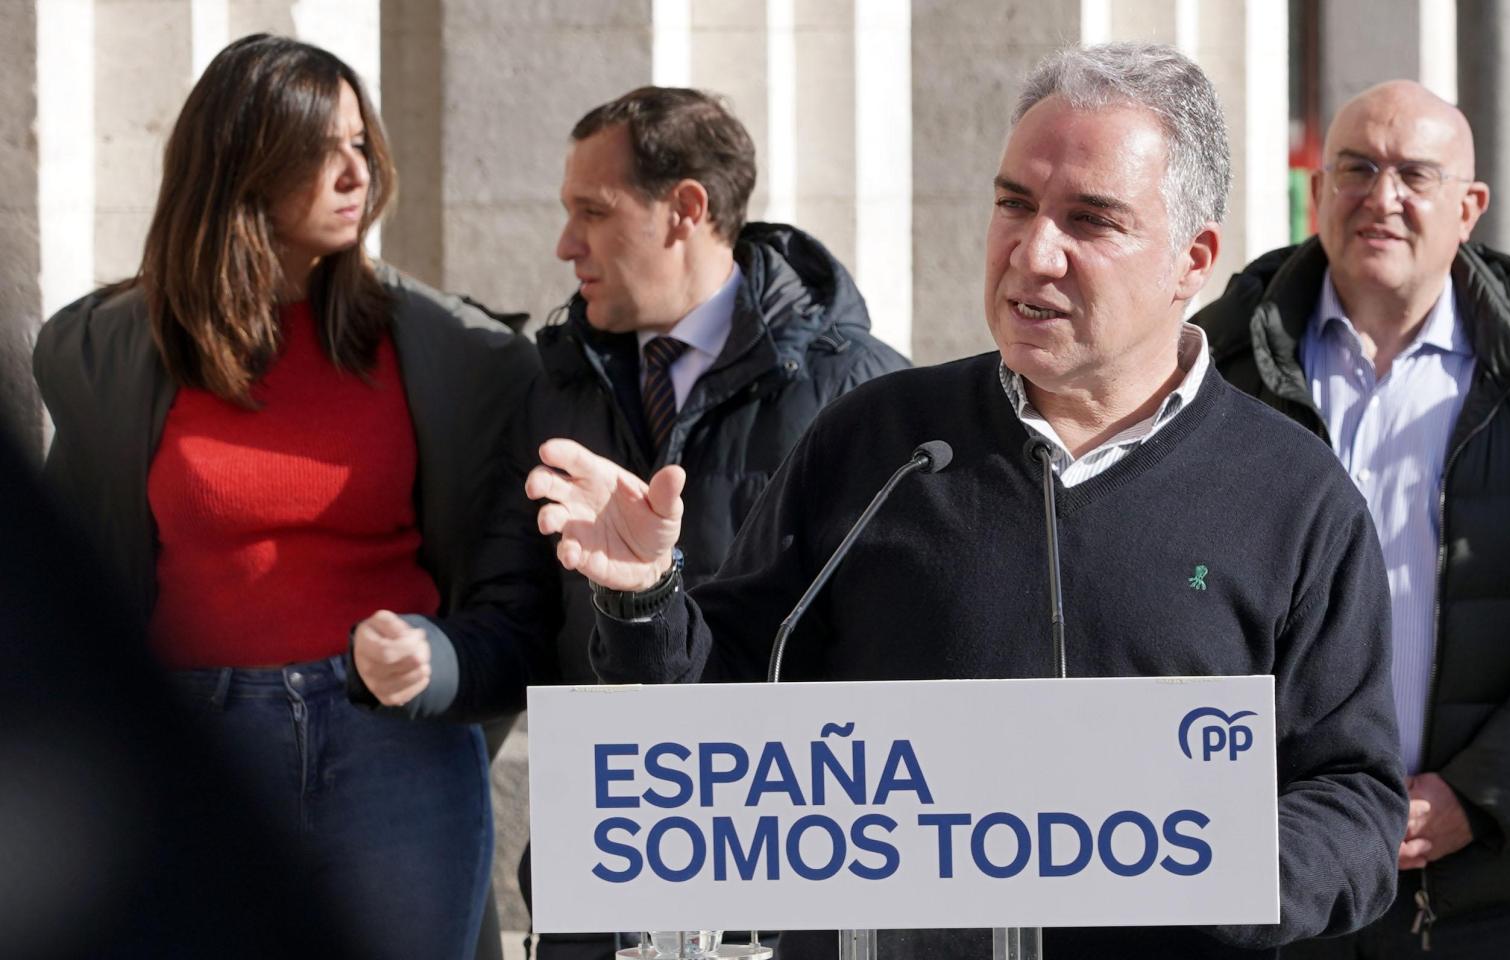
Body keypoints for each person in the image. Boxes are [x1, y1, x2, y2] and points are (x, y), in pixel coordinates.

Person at [517, 42, 1408, 959]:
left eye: (1091, 220)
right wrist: (645, 596)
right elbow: (725, 710)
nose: (1033, 252)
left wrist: (1218, 875)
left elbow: (1354, 797)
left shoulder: (1292, 494)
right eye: (1014, 204)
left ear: (1194, 259)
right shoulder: (877, 445)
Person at [345, 86, 907, 957]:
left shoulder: (857, 393)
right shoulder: (553, 386)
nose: (566, 246)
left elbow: (894, 666)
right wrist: (434, 662)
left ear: (687, 209)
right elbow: (522, 622)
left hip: (785, 893)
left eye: (593, 214)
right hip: (599, 889)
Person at [32, 34, 539, 960]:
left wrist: (439, 659)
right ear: (242, 163)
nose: (356, 172)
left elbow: (507, 571)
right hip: (197, 747)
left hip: (393, 749)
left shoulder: (445, 349)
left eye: (360, 143)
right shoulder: (116, 355)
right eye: (321, 148)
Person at [1195, 80, 1510, 958]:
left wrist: (1478, 797)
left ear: (1469, 206)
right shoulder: (1215, 375)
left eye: (1415, 174)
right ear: (1320, 191)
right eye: (1357, 169)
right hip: (1270, 872)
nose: (1383, 197)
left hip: (1486, 883)